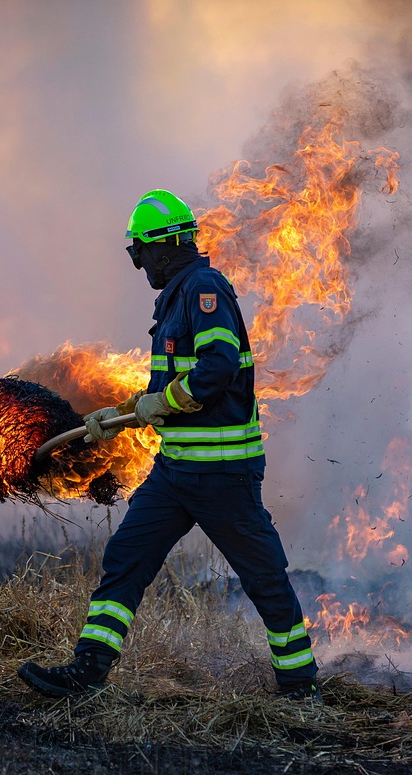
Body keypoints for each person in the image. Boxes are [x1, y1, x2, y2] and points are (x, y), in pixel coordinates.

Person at [17, 189, 321, 702]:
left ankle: (299, 685)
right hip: (176, 473)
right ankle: (87, 672)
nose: (142, 267)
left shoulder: (203, 289)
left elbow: (217, 369)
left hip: (224, 475)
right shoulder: (177, 297)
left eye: (141, 254)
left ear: (163, 247)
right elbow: (171, 388)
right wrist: (124, 414)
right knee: (126, 558)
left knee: (263, 577)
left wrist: (165, 402)